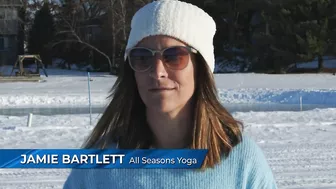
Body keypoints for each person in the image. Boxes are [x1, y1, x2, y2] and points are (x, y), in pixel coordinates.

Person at [63, 0, 278, 188]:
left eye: (174, 56)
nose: (158, 72)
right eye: (143, 57)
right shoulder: (95, 166)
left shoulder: (242, 160)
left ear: (200, 67)